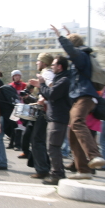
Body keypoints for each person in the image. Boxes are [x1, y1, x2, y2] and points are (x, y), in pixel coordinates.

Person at [52, 24, 105, 179]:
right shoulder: (83, 55)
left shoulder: (81, 55)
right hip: (80, 97)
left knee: (76, 122)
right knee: (73, 135)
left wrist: (60, 37)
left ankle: (94, 155)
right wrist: (69, 36)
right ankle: (83, 170)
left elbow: (71, 50)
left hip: (84, 96)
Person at [40, 55, 71, 185]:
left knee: (53, 147)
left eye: (53, 65)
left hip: (58, 117)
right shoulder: (61, 78)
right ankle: (59, 172)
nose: (52, 67)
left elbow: (52, 94)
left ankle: (57, 174)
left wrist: (41, 84)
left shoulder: (64, 80)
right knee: (53, 146)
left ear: (59, 66)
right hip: (56, 117)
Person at [28, 53, 55, 179]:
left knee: (37, 140)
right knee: (39, 139)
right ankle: (45, 167)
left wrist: (42, 99)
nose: (36, 63)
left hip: (44, 111)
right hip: (46, 110)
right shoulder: (48, 73)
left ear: (44, 62)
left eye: (38, 61)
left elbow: (51, 90)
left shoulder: (47, 74)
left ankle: (42, 169)